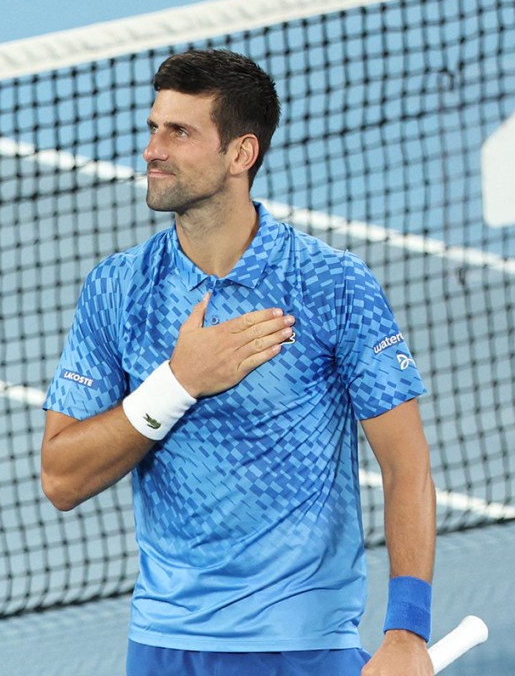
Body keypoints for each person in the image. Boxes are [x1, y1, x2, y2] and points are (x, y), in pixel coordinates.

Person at [41, 49, 436, 676]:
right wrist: (176, 384)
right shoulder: (117, 289)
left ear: (240, 154)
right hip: (166, 644)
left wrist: (408, 630)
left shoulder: (331, 285)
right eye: (153, 127)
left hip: (300, 644)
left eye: (180, 131)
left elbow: (406, 465)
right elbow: (61, 478)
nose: (153, 149)